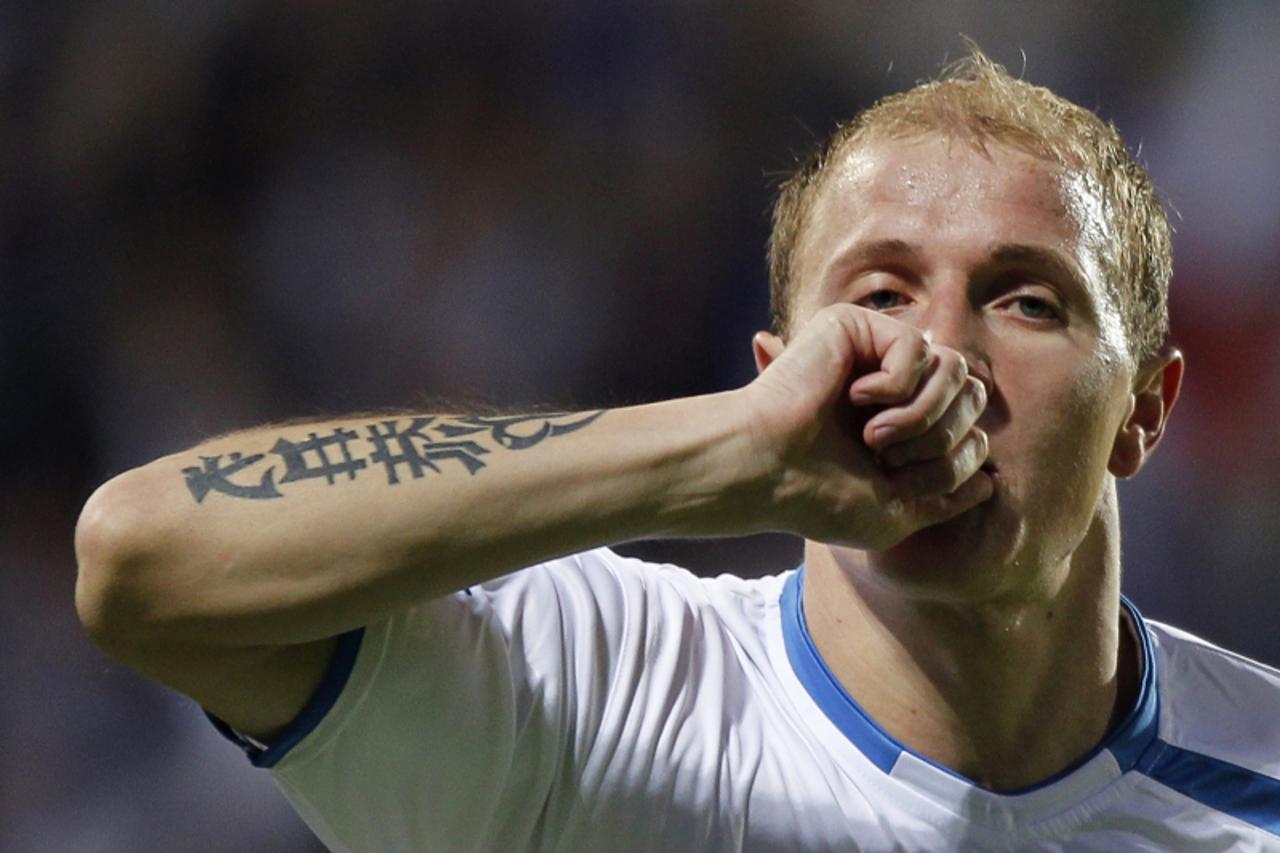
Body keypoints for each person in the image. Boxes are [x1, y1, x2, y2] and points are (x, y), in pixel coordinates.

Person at [75, 49, 1280, 851]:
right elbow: (142, 558)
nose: (939, 357)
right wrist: (722, 451)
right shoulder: (591, 696)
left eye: (1025, 301)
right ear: (775, 377)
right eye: (878, 293)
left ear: (1145, 408)